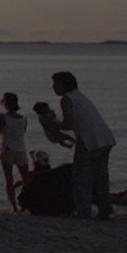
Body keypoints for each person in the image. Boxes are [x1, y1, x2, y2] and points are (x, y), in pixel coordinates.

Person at [40, 71, 116, 220]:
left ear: (63, 85)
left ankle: (83, 212)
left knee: (81, 178)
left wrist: (52, 124)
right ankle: (105, 209)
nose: (53, 87)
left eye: (55, 84)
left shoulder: (66, 98)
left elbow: (69, 123)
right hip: (104, 138)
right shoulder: (80, 96)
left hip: (89, 140)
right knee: (101, 177)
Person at [0, 92, 30, 212]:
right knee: (26, 179)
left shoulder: (2, 117)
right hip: (21, 150)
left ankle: (14, 206)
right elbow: (22, 132)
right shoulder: (24, 118)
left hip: (7, 149)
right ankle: (26, 203)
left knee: (9, 179)